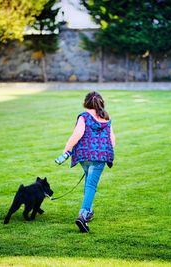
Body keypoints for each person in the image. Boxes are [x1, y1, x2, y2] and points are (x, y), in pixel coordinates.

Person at [62, 91, 115, 233]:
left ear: (86, 103)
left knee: (88, 181)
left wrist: (66, 150)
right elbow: (112, 140)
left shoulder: (84, 117)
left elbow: (77, 134)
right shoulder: (106, 118)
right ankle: (83, 215)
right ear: (101, 103)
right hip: (99, 157)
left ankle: (89, 211)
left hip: (84, 155)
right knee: (91, 184)